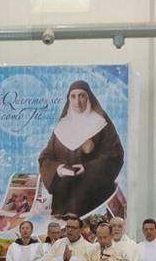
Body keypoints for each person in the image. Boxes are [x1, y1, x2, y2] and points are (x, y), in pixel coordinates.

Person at [38, 81, 124, 217]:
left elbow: (115, 155)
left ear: (89, 97)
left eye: (82, 96)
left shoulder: (101, 123)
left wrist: (86, 169)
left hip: (92, 196)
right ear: (69, 99)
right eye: (73, 96)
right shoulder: (62, 125)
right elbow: (45, 158)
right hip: (63, 198)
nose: (77, 102)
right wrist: (59, 169)